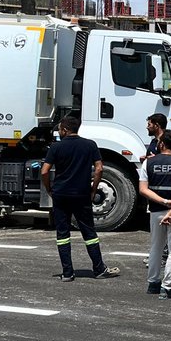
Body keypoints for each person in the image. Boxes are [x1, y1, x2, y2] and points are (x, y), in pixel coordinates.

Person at [40, 116, 120, 282]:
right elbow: (99, 169)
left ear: (65, 130)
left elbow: (44, 171)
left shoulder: (56, 147)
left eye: (60, 129)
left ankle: (67, 273)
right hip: (82, 194)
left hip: (61, 194)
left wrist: (49, 189)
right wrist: (93, 189)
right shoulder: (90, 145)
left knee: (63, 234)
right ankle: (98, 268)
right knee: (89, 232)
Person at [139, 129, 171, 299]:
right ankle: (168, 287)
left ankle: (153, 283)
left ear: (161, 144)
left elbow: (143, 190)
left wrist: (162, 202)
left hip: (156, 211)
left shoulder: (148, 163)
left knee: (156, 246)